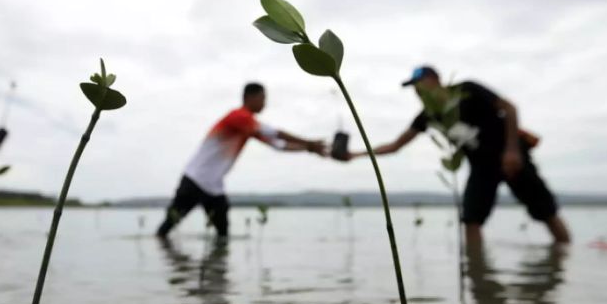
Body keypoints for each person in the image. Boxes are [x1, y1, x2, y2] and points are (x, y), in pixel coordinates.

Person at [343, 66, 570, 246]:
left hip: (511, 158)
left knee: (546, 211)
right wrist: (354, 155)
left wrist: (512, 150)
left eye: (420, 83)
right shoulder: (428, 116)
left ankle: (564, 254)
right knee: (470, 220)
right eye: (414, 88)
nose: (418, 90)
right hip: (481, 168)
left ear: (436, 79)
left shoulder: (467, 90)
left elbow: (509, 108)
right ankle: (477, 275)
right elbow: (395, 145)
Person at [156, 82, 326, 238]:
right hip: (195, 179)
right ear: (249, 98)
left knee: (223, 234)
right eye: (262, 98)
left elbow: (278, 145)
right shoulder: (239, 117)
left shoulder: (250, 127)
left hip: (214, 187)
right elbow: (277, 133)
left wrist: (308, 149)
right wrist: (309, 142)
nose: (264, 103)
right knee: (168, 226)